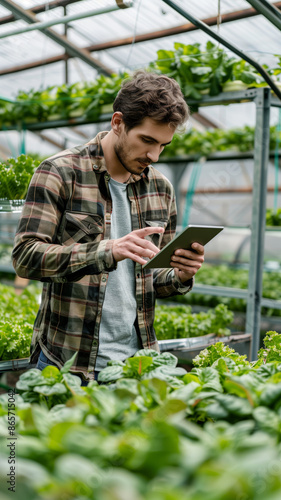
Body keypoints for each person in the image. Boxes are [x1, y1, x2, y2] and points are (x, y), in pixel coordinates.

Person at [12, 70, 204, 384]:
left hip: (137, 366)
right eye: (147, 141)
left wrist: (181, 274)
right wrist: (107, 250)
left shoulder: (160, 189)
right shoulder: (60, 172)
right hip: (66, 362)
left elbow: (154, 282)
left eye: (163, 145)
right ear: (118, 123)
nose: (153, 155)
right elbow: (25, 257)